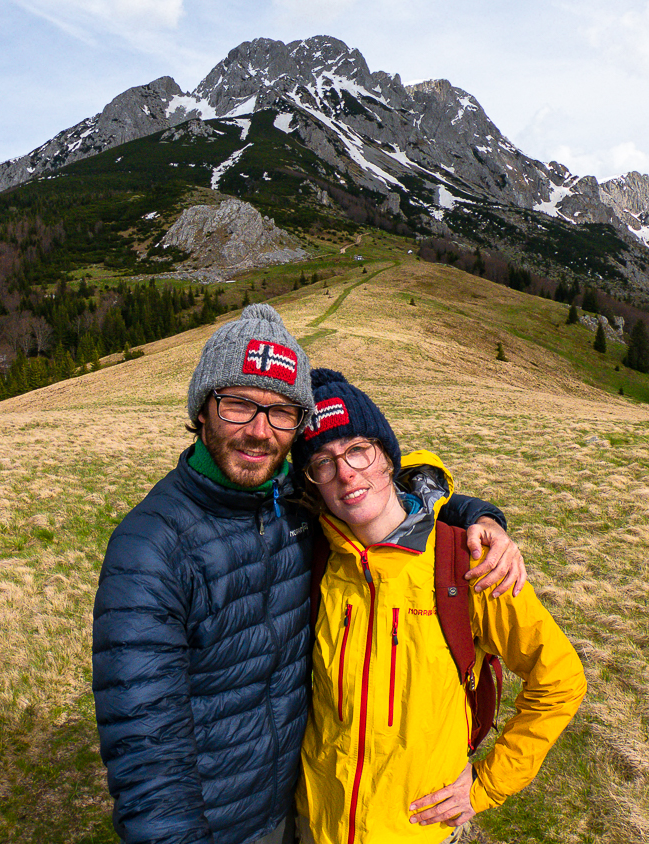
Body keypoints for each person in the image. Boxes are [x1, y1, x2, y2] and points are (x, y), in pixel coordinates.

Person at [93, 305, 525, 844]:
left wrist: (474, 516)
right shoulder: (150, 548)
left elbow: (384, 492)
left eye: (281, 413)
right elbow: (145, 749)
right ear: (201, 409)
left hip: (306, 808)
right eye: (238, 405)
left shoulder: (299, 507)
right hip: (217, 825)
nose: (258, 431)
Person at [292, 369, 587, 844]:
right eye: (323, 463)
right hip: (316, 825)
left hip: (418, 832)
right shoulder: (317, 557)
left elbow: (560, 679)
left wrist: (488, 783)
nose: (345, 471)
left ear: (388, 458)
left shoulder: (468, 563)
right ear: (314, 484)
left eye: (358, 450)